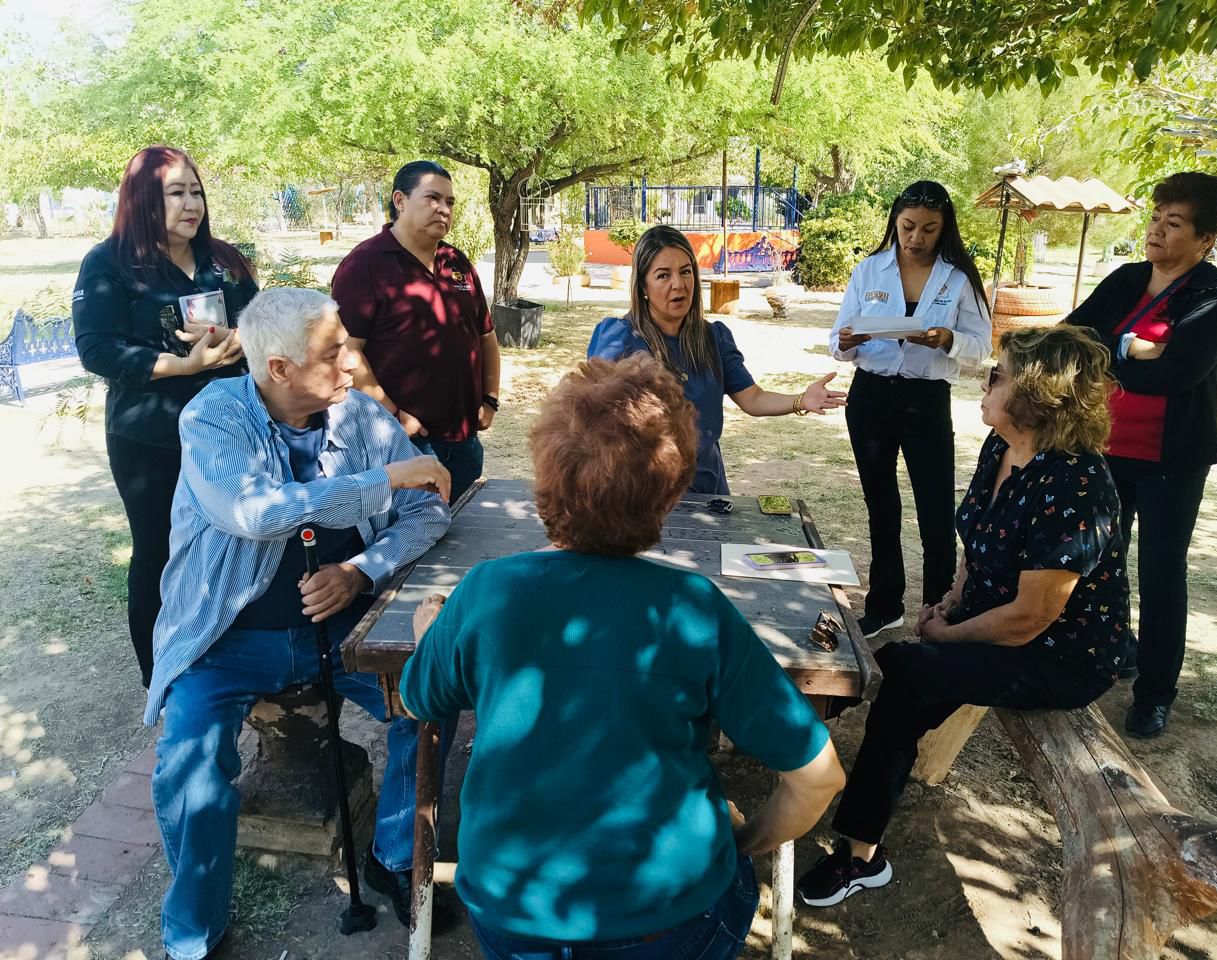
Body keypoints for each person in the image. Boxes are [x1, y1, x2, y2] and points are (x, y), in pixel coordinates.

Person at [399, 355, 847, 959]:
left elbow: (419, 698)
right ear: (669, 495)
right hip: (671, 920)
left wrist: (433, 632)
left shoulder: (487, 592)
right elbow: (819, 776)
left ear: (546, 475)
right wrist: (742, 842)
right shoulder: (692, 608)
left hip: (514, 915)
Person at [145, 288, 454, 960]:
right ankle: (193, 932)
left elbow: (430, 511)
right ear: (279, 369)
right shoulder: (212, 419)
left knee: (430, 702)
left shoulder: (363, 416)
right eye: (332, 352)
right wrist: (385, 482)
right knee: (187, 768)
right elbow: (256, 511)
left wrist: (362, 571)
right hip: (226, 644)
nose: (351, 363)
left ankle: (395, 856)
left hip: (346, 634)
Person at [798, 325, 1129, 908]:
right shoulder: (1003, 447)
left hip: (1061, 656)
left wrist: (947, 634)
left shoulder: (1079, 483)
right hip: (993, 622)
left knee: (903, 668)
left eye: (997, 375)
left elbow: (1031, 619)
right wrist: (950, 601)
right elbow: (977, 543)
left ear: (1036, 394)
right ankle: (857, 842)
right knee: (903, 680)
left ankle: (853, 844)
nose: (984, 378)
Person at [1065, 171, 1217, 739]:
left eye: (1175, 223)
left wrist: (1111, 347)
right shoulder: (1126, 280)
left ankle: (1155, 692)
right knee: (1098, 563)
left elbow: (1175, 373)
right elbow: (1073, 338)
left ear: (1206, 239)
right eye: (1157, 217)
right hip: (1106, 448)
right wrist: (1129, 345)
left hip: (1172, 460)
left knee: (1162, 574)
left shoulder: (1215, 295)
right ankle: (1118, 650)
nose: (1158, 230)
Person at [73, 145, 255, 687]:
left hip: (229, 428)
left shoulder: (224, 260)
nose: (190, 204)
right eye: (175, 193)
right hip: (150, 436)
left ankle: (230, 659)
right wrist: (180, 364)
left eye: (195, 191)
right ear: (143, 200)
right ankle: (163, 676)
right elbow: (96, 349)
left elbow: (259, 322)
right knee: (159, 547)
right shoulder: (108, 264)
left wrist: (238, 340)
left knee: (233, 537)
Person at [828, 181, 992, 641]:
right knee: (881, 506)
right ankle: (884, 604)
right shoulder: (869, 270)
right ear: (895, 221)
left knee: (936, 509)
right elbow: (836, 339)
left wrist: (947, 340)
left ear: (944, 229)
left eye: (928, 229)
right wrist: (846, 341)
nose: (915, 238)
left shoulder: (958, 278)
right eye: (907, 226)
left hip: (926, 400)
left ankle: (937, 610)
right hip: (871, 398)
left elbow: (981, 346)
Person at [587, 224, 846, 495]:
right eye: (663, 275)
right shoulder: (618, 339)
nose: (679, 284)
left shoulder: (713, 338)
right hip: (641, 495)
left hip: (708, 490)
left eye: (686, 271)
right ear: (643, 285)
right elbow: (593, 425)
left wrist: (801, 400)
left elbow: (753, 398)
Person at [332, 160, 500, 502]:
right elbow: (348, 351)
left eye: (450, 202)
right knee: (415, 543)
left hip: (465, 441)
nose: (443, 209)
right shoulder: (365, 265)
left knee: (465, 538)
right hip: (405, 445)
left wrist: (490, 400)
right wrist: (394, 415)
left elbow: (485, 336)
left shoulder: (457, 263)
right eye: (433, 198)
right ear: (400, 200)